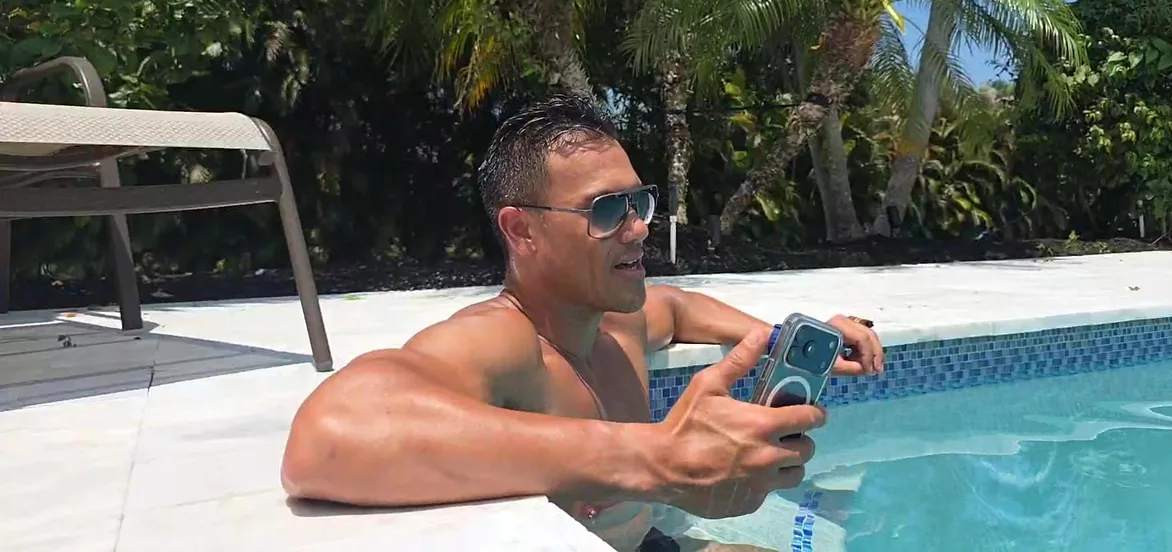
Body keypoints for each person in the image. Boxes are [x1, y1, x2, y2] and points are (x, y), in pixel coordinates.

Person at [279, 94, 885, 551]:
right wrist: (659, 457)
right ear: (522, 230)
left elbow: (676, 307)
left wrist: (785, 338)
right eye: (607, 209)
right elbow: (328, 436)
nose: (640, 227)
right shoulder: (504, 340)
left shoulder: (616, 325)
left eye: (640, 202)